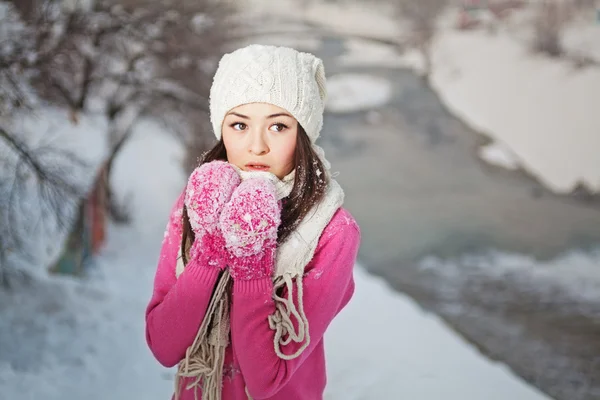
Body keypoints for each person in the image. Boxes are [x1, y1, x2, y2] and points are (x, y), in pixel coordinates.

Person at [145, 44, 361, 400]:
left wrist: (251, 262)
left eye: (278, 126)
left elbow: (265, 380)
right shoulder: (196, 204)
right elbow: (163, 347)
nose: (256, 146)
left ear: (303, 132)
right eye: (240, 124)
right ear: (222, 129)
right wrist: (211, 250)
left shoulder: (332, 232)